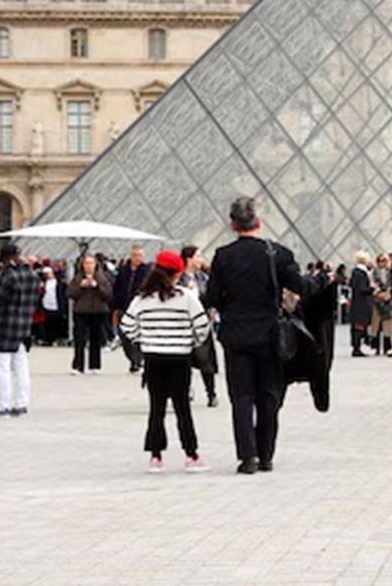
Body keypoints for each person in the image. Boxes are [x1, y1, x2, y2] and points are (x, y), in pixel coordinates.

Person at [203, 197, 306, 474]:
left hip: (236, 336)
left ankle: (247, 457)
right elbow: (299, 286)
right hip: (270, 335)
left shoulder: (223, 256)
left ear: (232, 224)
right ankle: (266, 455)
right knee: (269, 396)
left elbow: (212, 298)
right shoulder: (278, 253)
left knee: (242, 397)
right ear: (258, 222)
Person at [120, 249, 212, 473]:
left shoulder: (142, 299)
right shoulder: (186, 297)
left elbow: (126, 326)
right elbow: (202, 326)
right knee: (183, 408)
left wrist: (144, 340)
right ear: (177, 273)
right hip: (179, 357)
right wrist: (191, 341)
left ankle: (155, 456)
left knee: (156, 408)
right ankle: (191, 454)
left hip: (153, 358)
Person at [0, 243, 39, 417]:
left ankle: (3, 405)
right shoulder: (32, 275)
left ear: (6, 259)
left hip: (4, 326)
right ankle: (21, 404)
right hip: (23, 325)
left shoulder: (8, 276)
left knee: (1, 368)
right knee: (21, 367)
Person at [178, 245, 219, 407]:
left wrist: (212, 309)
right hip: (183, 325)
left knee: (205, 361)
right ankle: (186, 389)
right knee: (184, 361)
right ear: (189, 259)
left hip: (201, 325)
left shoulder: (203, 278)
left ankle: (211, 393)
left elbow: (210, 297)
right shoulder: (179, 278)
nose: (201, 260)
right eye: (198, 256)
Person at [67, 253, 111, 374]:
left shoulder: (102, 278)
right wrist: (81, 286)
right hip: (81, 311)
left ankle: (94, 365)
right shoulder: (77, 278)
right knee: (79, 340)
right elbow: (70, 293)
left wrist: (97, 286)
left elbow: (108, 294)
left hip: (98, 311)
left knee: (95, 339)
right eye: (86, 263)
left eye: (91, 263)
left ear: (96, 264)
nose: (89, 266)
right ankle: (78, 366)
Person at [110, 245, 151, 373]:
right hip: (124, 307)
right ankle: (133, 359)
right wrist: (115, 306)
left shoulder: (147, 271)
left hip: (140, 308)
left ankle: (137, 361)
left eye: (139, 255)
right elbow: (117, 288)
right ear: (131, 256)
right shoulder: (123, 270)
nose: (137, 258)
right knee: (125, 336)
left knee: (138, 336)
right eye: (135, 255)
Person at [347, 253, 375, 357]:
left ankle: (356, 346)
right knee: (360, 325)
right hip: (362, 303)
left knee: (356, 325)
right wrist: (371, 289)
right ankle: (357, 348)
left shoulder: (355, 272)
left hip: (356, 302)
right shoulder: (362, 273)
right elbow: (362, 289)